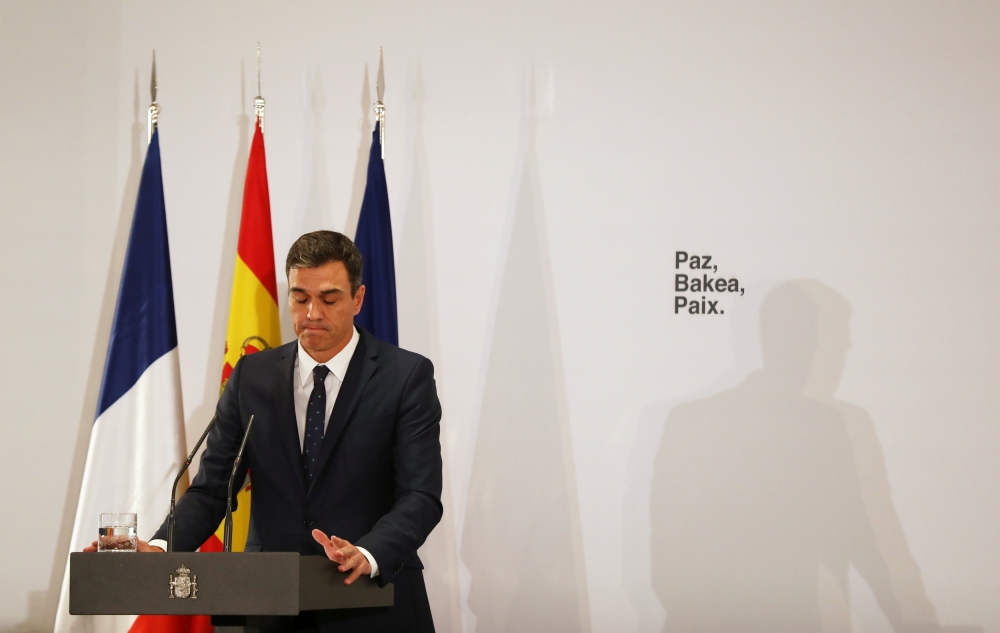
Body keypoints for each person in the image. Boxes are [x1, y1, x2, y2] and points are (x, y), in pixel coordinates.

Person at [88, 231, 442, 632]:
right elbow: (211, 490)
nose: (311, 313)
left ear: (357, 299)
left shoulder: (405, 376)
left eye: (328, 299)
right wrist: (160, 547)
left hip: (374, 600)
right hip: (270, 602)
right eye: (299, 297)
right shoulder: (251, 377)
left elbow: (421, 496)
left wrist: (369, 551)